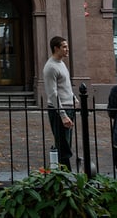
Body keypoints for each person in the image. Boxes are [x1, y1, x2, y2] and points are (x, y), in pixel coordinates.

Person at [42, 36, 78, 169]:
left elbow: (64, 85)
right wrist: (63, 115)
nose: (67, 49)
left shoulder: (61, 63)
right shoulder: (50, 67)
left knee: (66, 143)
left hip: (68, 107)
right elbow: (52, 93)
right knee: (63, 146)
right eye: (64, 47)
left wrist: (73, 97)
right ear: (56, 48)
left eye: (67, 46)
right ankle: (63, 173)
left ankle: (62, 171)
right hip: (59, 110)